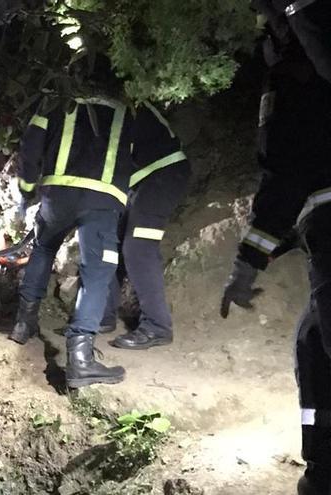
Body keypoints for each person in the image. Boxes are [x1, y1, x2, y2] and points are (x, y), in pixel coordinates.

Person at [221, 2, 331, 493]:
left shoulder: (301, 64)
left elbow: (288, 165)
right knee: (313, 348)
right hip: (320, 225)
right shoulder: (300, 60)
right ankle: (324, 472)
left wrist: (248, 261)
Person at [10, 96, 134, 389]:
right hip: (102, 198)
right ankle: (80, 360)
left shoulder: (56, 97)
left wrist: (27, 189)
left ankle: (23, 325)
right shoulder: (126, 105)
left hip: (59, 193)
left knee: (43, 249)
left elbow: (31, 143)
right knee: (97, 273)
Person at [102, 103, 191, 349]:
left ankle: (158, 327)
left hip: (163, 174)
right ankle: (102, 316)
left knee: (138, 248)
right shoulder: (108, 104)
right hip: (142, 180)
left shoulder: (116, 105)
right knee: (112, 243)